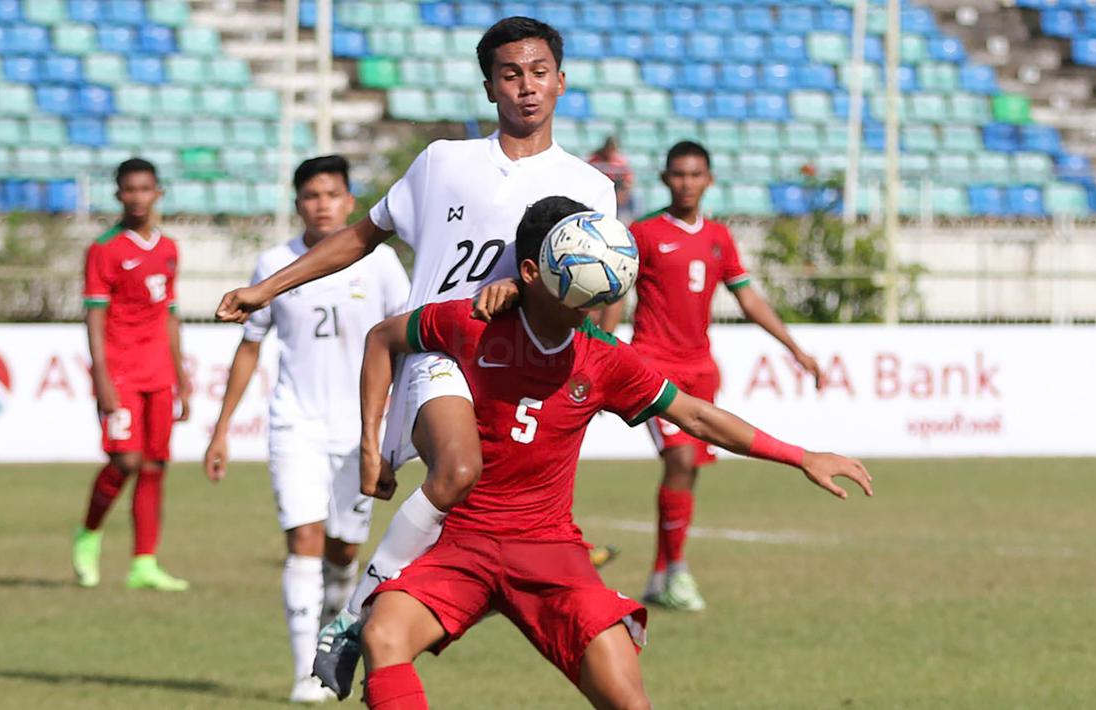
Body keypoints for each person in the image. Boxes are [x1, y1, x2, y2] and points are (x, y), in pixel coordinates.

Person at [213, 16, 618, 688]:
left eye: (538, 72)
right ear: (489, 85)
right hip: (441, 355)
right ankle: (350, 619)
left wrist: (526, 296)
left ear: (561, 82)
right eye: (510, 74)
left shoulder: (589, 189)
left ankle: (409, 625)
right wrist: (266, 288)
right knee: (458, 470)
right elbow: (361, 235)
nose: (526, 87)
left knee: (498, 541)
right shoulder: (442, 163)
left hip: (523, 377)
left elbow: (587, 294)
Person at [354, 197, 873, 709]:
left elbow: (695, 415)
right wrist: (371, 448)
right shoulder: (474, 323)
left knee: (628, 701)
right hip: (464, 543)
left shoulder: (606, 360)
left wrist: (800, 456)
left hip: (548, 549)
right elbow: (383, 338)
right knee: (383, 638)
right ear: (534, 272)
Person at [203, 156, 410, 703]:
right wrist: (221, 429)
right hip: (296, 424)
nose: (322, 203)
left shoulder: (382, 264)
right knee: (304, 541)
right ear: (298, 203)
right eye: (311, 195)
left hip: (362, 432)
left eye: (332, 194)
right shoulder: (274, 263)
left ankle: (329, 626)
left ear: (350, 201)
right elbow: (250, 348)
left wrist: (403, 427)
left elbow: (408, 345)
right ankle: (304, 674)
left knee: (344, 552)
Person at [598, 141, 825, 612]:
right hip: (653, 368)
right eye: (678, 175)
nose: (687, 183)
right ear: (665, 179)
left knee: (689, 471)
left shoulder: (719, 237)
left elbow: (749, 299)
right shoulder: (642, 233)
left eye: (695, 174)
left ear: (709, 181)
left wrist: (796, 349)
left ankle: (664, 575)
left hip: (701, 370)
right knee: (680, 461)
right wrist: (602, 347)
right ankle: (676, 573)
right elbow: (617, 293)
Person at [73, 158, 190, 592]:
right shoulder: (105, 249)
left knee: (155, 465)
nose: (138, 197)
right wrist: (101, 377)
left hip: (159, 372)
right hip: (120, 373)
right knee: (125, 460)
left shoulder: (169, 249)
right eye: (130, 190)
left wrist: (182, 377)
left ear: (157, 192)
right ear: (119, 195)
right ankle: (88, 534)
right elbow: (94, 319)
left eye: (146, 189)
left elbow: (170, 317)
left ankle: (144, 562)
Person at [587, 136, 635, 221]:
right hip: (598, 191)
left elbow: (628, 180)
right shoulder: (595, 159)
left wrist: (623, 192)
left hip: (617, 192)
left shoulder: (620, 161)